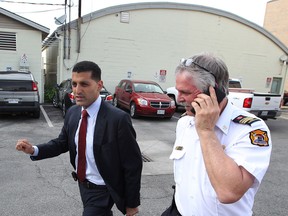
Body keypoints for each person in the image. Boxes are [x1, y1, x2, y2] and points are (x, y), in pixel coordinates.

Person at [16, 60, 143, 216]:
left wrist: (132, 203)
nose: (77, 90)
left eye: (84, 84)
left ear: (99, 85)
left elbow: (132, 163)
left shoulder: (117, 119)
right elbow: (62, 143)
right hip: (83, 185)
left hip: (104, 188)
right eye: (74, 84)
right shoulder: (73, 113)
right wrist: (33, 150)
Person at [162, 53, 272, 216]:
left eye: (185, 92)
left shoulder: (251, 129)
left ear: (214, 92)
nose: (179, 99)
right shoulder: (185, 122)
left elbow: (228, 192)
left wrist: (206, 131)